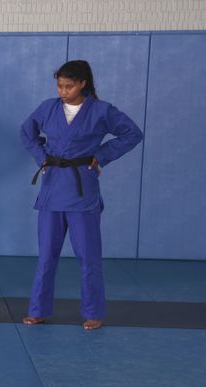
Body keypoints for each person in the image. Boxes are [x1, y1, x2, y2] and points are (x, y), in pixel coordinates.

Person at [20, 60, 143, 330]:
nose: (63, 91)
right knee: (46, 256)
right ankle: (38, 310)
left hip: (81, 190)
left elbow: (132, 133)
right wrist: (42, 157)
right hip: (52, 189)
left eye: (69, 86)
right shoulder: (48, 108)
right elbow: (27, 132)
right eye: (59, 86)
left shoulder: (101, 110)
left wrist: (101, 156)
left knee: (88, 257)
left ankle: (93, 313)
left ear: (82, 84)